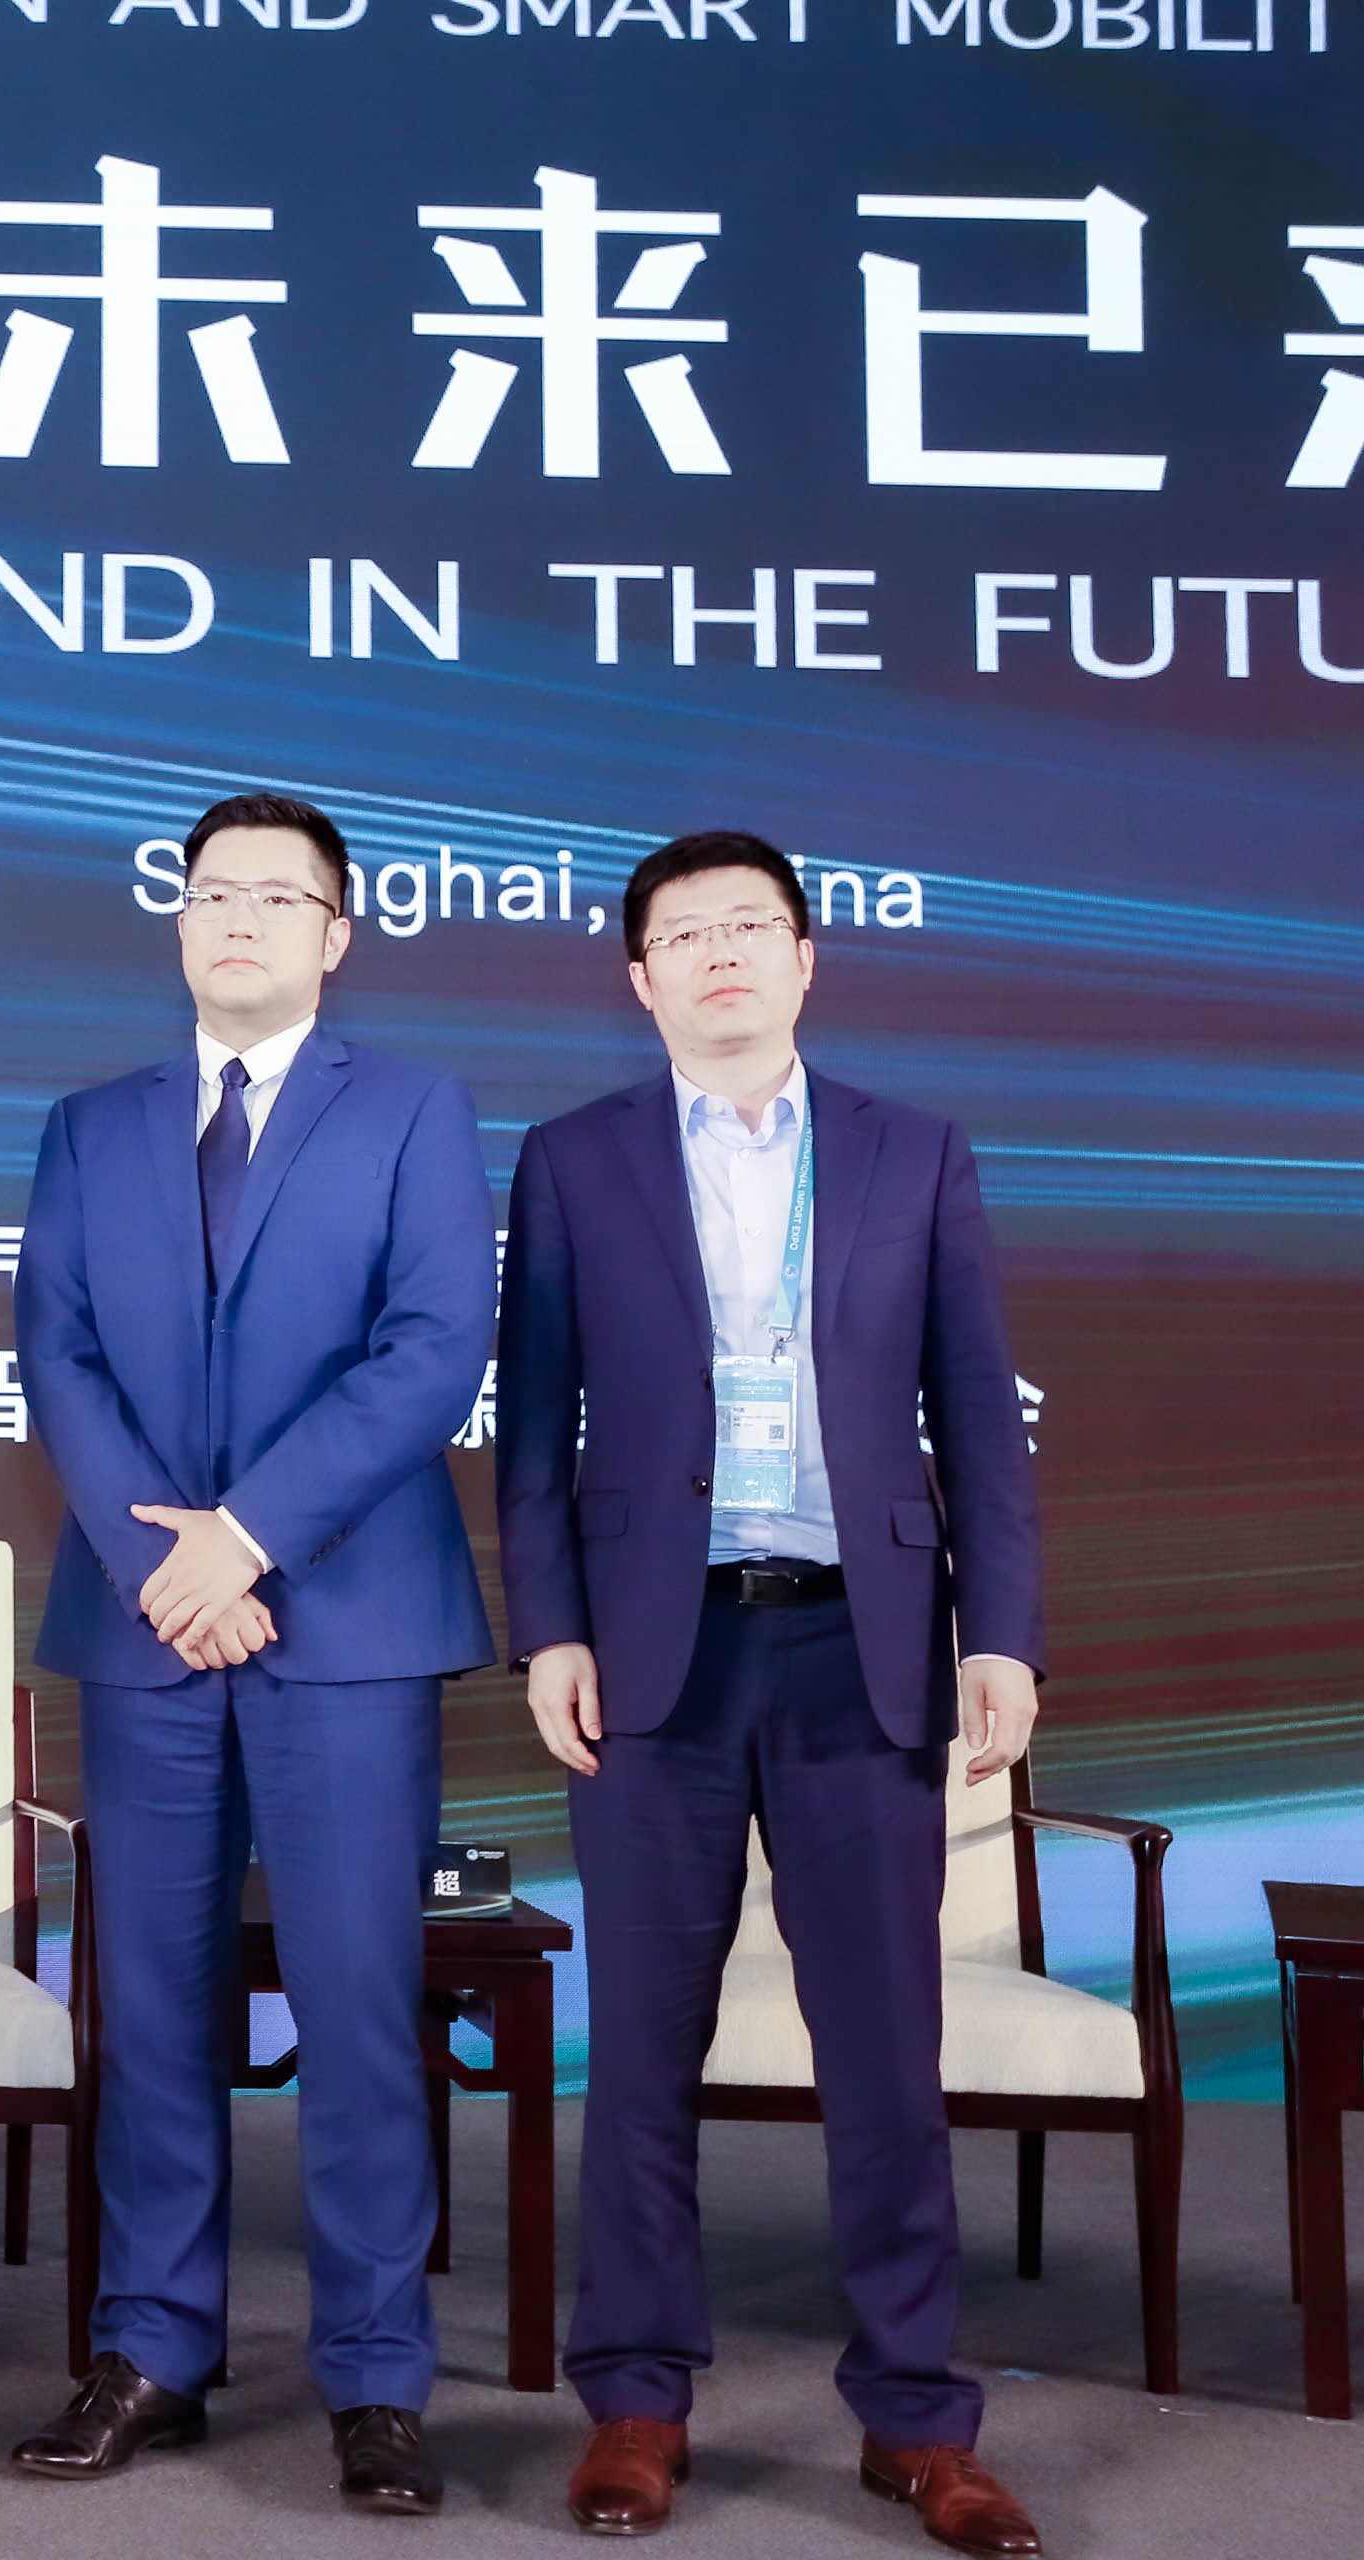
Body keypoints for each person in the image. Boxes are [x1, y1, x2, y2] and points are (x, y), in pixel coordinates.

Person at [496, 831, 1047, 2557]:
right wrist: (549, 1628)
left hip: (858, 1645)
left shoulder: (913, 1150)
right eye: (685, 933)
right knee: (642, 2050)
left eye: (752, 925)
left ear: (808, 959)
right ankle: (638, 2400)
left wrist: (1001, 1631)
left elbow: (979, 1411)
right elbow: (534, 1426)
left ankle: (918, 2419)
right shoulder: (574, 1159)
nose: (720, 952)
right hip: (654, 1655)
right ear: (639, 978)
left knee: (886, 2056)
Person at [8, 792, 498, 2519]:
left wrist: (249, 1535)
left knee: (360, 2005)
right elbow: (58, 1352)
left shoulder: (416, 1110)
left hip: (342, 1618)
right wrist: (173, 1561)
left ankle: (376, 2374)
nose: (239, 918)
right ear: (179, 921)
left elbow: (433, 1347)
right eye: (213, 892)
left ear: (336, 934)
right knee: (151, 2006)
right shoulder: (91, 1125)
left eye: (278, 897)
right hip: (149, 1624)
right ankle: (153, 2347)